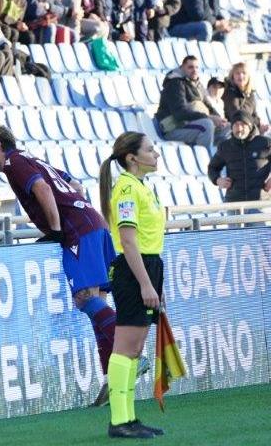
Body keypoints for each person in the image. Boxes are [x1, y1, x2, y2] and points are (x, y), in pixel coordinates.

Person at [0, 125, 118, 404]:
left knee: (84, 298)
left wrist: (54, 229)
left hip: (79, 232)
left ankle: (131, 353)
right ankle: (113, 379)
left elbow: (42, 188)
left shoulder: (13, 162)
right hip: (93, 223)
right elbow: (75, 185)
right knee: (96, 304)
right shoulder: (31, 158)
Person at [98, 132, 167, 439]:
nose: (156, 154)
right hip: (133, 270)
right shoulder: (126, 188)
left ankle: (128, 417)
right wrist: (145, 284)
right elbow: (127, 239)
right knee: (125, 347)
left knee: (135, 348)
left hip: (148, 266)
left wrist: (152, 281)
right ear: (132, 158)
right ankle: (119, 420)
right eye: (150, 150)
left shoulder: (142, 186)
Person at [154, 55, 229, 149]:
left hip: (190, 125)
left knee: (227, 127)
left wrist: (219, 118)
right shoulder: (175, 84)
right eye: (190, 67)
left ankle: (219, 159)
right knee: (206, 125)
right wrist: (209, 117)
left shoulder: (197, 84)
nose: (194, 70)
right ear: (182, 68)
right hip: (174, 128)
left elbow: (208, 106)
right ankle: (205, 160)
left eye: (196, 67)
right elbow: (180, 113)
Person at [208, 114, 271, 204]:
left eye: (243, 124)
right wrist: (217, 180)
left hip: (260, 202)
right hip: (234, 202)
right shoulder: (225, 146)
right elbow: (212, 168)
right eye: (236, 124)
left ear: (250, 126)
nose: (239, 128)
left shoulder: (265, 143)